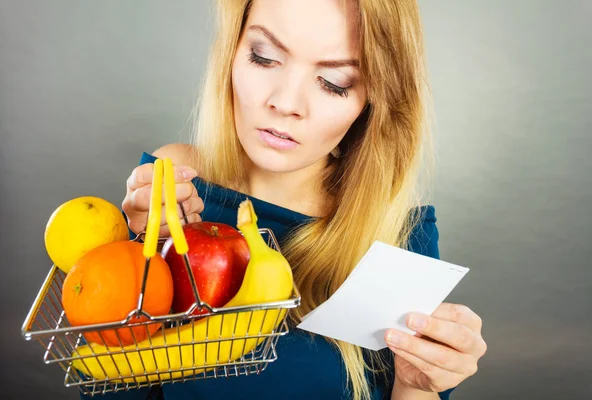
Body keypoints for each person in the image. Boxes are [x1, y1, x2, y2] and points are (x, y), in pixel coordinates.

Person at [87, 0, 487, 399]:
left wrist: (414, 385)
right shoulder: (171, 186)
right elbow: (102, 385)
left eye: (334, 82)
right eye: (264, 57)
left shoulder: (400, 238)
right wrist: (139, 256)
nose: (286, 103)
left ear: (374, 98)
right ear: (232, 48)